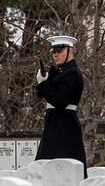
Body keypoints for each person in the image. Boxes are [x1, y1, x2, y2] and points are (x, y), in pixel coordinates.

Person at [35, 35, 87, 166]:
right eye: (54, 52)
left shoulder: (72, 73)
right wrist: (45, 81)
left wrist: (43, 84)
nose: (55, 55)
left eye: (59, 51)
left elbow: (60, 101)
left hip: (64, 128)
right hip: (55, 126)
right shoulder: (63, 72)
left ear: (70, 51)